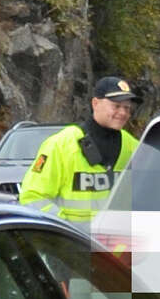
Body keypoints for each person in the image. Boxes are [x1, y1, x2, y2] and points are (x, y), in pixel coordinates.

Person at [19, 75, 141, 224]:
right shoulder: (61, 145)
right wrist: (65, 228)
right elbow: (32, 197)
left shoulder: (134, 147)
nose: (123, 113)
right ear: (95, 103)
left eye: (127, 108)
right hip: (70, 238)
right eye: (116, 106)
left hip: (118, 238)